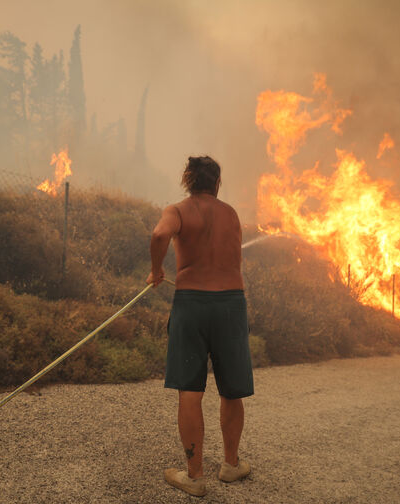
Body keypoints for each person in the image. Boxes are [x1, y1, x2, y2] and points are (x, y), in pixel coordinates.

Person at [147, 155, 253, 497]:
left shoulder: (177, 211)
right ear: (217, 183)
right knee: (231, 389)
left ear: (187, 181)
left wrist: (157, 270)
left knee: (190, 390)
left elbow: (160, 233)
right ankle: (231, 465)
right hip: (230, 304)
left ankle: (194, 477)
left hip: (192, 303)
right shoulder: (231, 214)